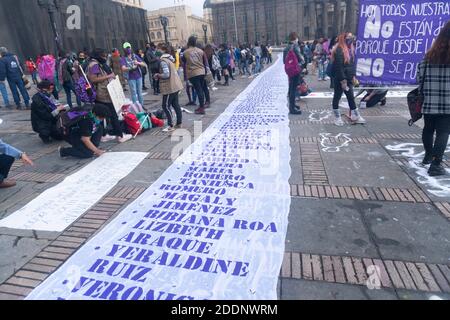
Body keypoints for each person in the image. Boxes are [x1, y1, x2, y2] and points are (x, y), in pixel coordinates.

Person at [417, 20, 450, 177]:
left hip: (429, 100)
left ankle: (428, 155)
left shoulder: (430, 55)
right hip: (448, 102)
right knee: (443, 132)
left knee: (428, 129)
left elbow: (420, 76)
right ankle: (436, 164)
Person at [87, 48, 131, 143]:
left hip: (101, 93)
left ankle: (103, 135)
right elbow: (93, 79)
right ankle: (120, 136)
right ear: (98, 56)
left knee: (101, 115)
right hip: (103, 94)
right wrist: (108, 76)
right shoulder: (94, 65)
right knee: (112, 115)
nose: (105, 57)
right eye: (103, 55)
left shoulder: (94, 63)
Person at [331, 33, 365, 126]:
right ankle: (337, 118)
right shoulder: (339, 50)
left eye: (352, 37)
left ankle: (355, 115)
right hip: (340, 79)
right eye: (349, 37)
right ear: (344, 38)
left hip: (349, 78)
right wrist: (343, 80)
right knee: (337, 97)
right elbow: (339, 67)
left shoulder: (351, 49)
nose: (351, 39)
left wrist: (353, 75)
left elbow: (351, 65)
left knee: (350, 97)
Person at [153, 43, 183, 133]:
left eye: (158, 49)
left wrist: (158, 75)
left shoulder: (163, 61)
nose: (156, 51)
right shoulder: (170, 59)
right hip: (175, 86)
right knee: (175, 105)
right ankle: (179, 123)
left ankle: (170, 125)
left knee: (165, 106)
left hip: (169, 87)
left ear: (163, 50)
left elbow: (166, 74)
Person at [182, 36, 209, 115]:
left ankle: (201, 108)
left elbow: (183, 61)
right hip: (202, 72)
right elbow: (204, 61)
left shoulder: (186, 52)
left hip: (193, 73)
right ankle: (202, 105)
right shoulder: (201, 51)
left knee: (198, 90)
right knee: (202, 88)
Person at [283, 32, 303, 115]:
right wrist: (302, 64)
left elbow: (284, 61)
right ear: (295, 39)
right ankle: (292, 108)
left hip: (289, 70)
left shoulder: (286, 48)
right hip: (295, 70)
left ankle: (292, 105)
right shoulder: (295, 47)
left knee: (291, 88)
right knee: (293, 89)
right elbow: (301, 59)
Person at [121, 43, 146, 107]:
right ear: (124, 49)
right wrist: (131, 68)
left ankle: (142, 106)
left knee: (140, 93)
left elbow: (144, 64)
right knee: (134, 93)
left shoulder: (134, 56)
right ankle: (136, 107)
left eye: (129, 47)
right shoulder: (123, 58)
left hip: (138, 76)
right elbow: (123, 68)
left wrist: (138, 63)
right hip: (131, 78)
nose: (128, 49)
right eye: (126, 48)